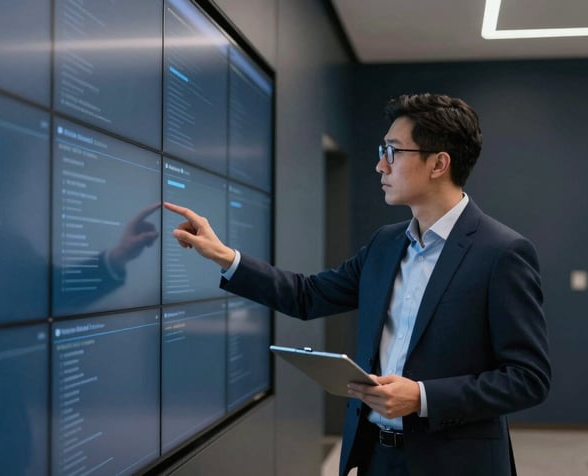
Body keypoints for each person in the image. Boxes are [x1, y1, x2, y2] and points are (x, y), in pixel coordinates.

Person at [163, 93, 551, 476]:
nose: (380, 165)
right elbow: (307, 296)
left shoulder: (502, 252)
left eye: (393, 151)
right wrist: (223, 256)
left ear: (438, 163)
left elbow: (528, 378)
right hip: (376, 456)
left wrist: (421, 397)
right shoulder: (386, 243)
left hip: (455, 464)